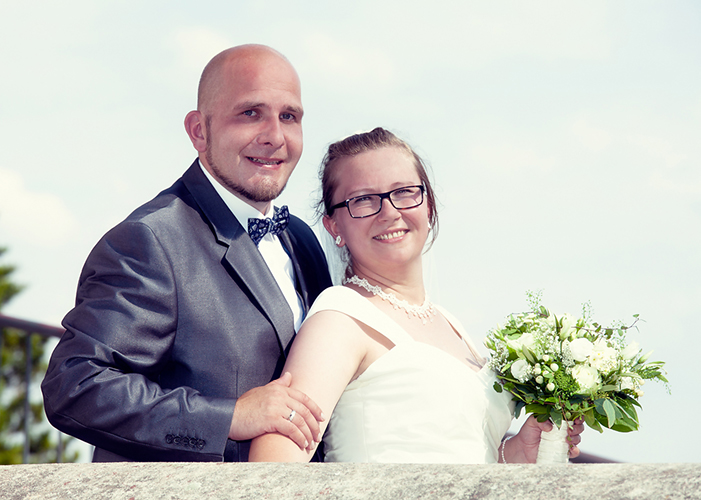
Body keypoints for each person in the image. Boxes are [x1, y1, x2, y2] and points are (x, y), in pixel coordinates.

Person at [41, 45, 332, 462]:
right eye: (250, 113)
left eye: (289, 116)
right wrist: (228, 417)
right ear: (199, 130)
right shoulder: (149, 240)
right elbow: (76, 386)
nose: (275, 135)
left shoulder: (302, 240)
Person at [249, 127, 584, 463]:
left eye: (405, 192)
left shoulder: (449, 323)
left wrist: (512, 453)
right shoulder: (340, 320)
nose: (389, 212)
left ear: (428, 205)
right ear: (334, 226)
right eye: (363, 200)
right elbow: (274, 468)